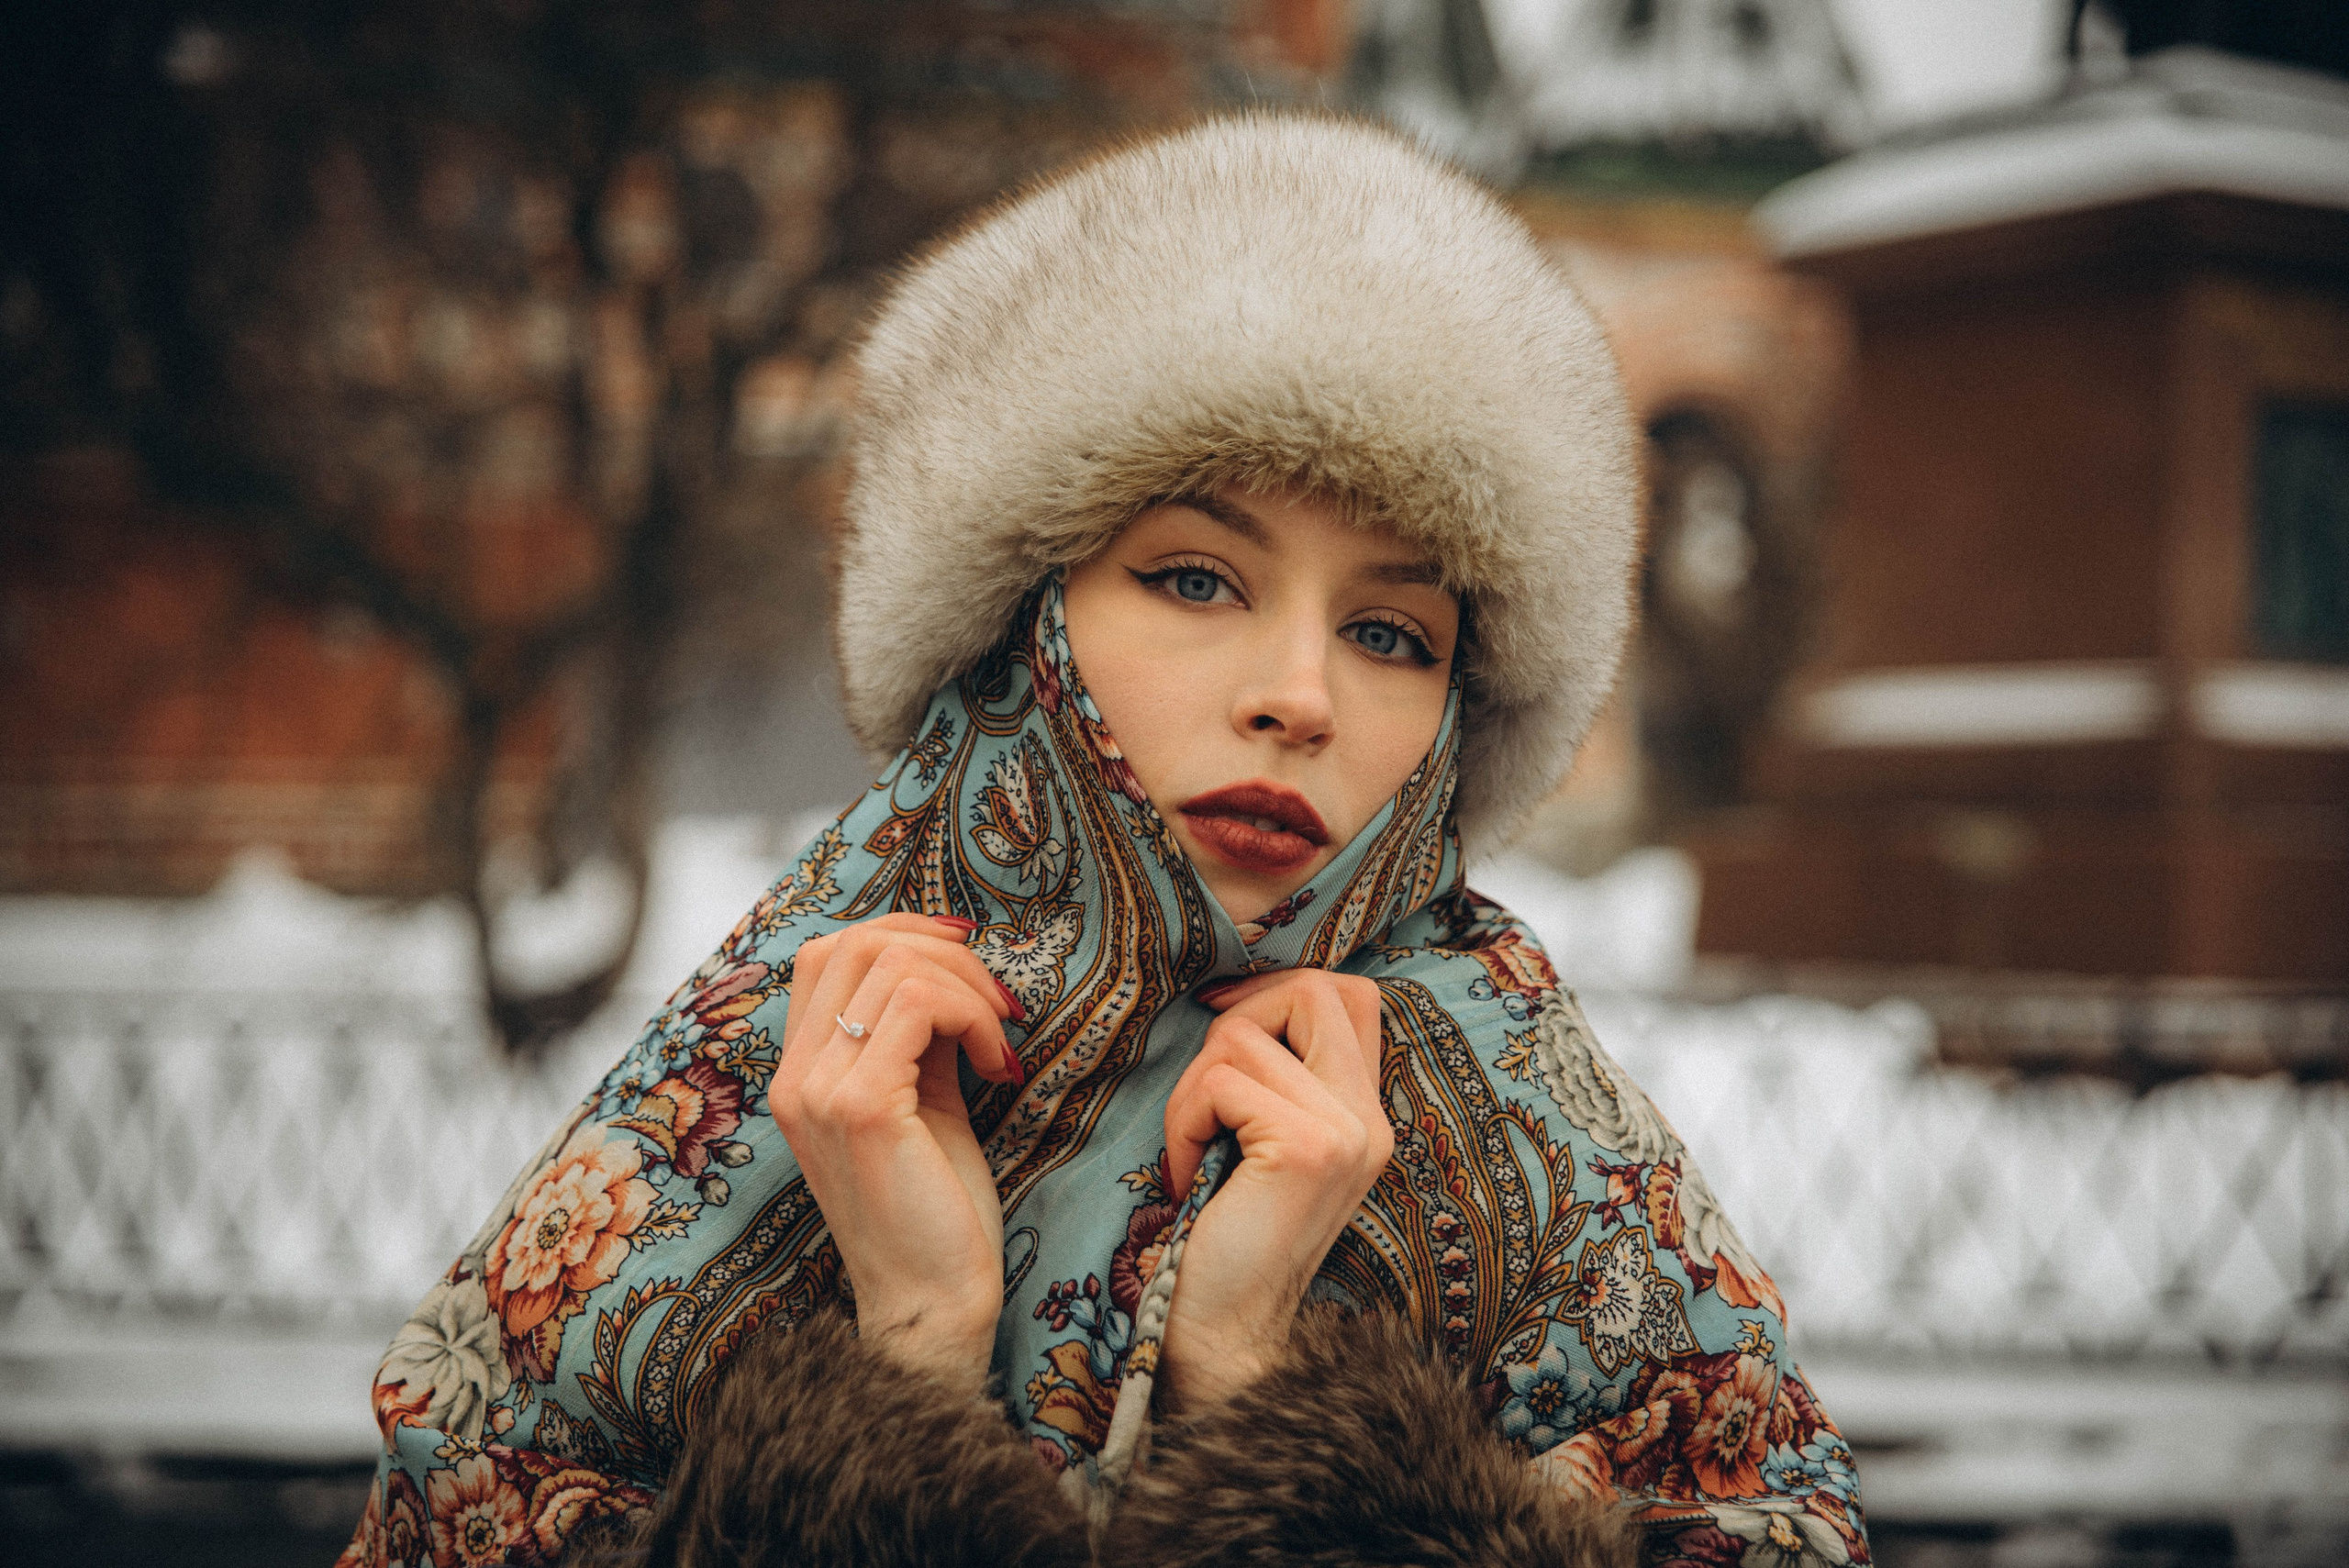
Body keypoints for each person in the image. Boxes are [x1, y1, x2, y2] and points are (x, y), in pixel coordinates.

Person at [340, 114, 1868, 1568]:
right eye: (1198, 578)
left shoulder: (1535, 1138)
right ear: (1025, 619)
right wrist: (910, 1366)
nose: (1300, 697)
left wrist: (1273, 1400)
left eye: (1393, 629)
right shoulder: (772, 1084)